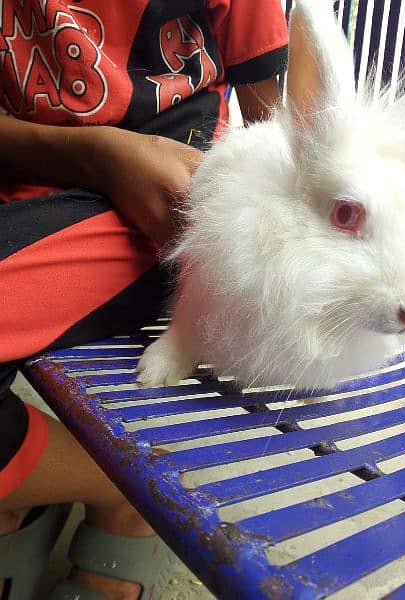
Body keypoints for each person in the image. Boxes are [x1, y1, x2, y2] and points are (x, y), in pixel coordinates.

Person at [0, 1, 288, 598]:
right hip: (33, 170)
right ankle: (123, 486)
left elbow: (283, 134)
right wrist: (93, 151)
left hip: (147, 203)